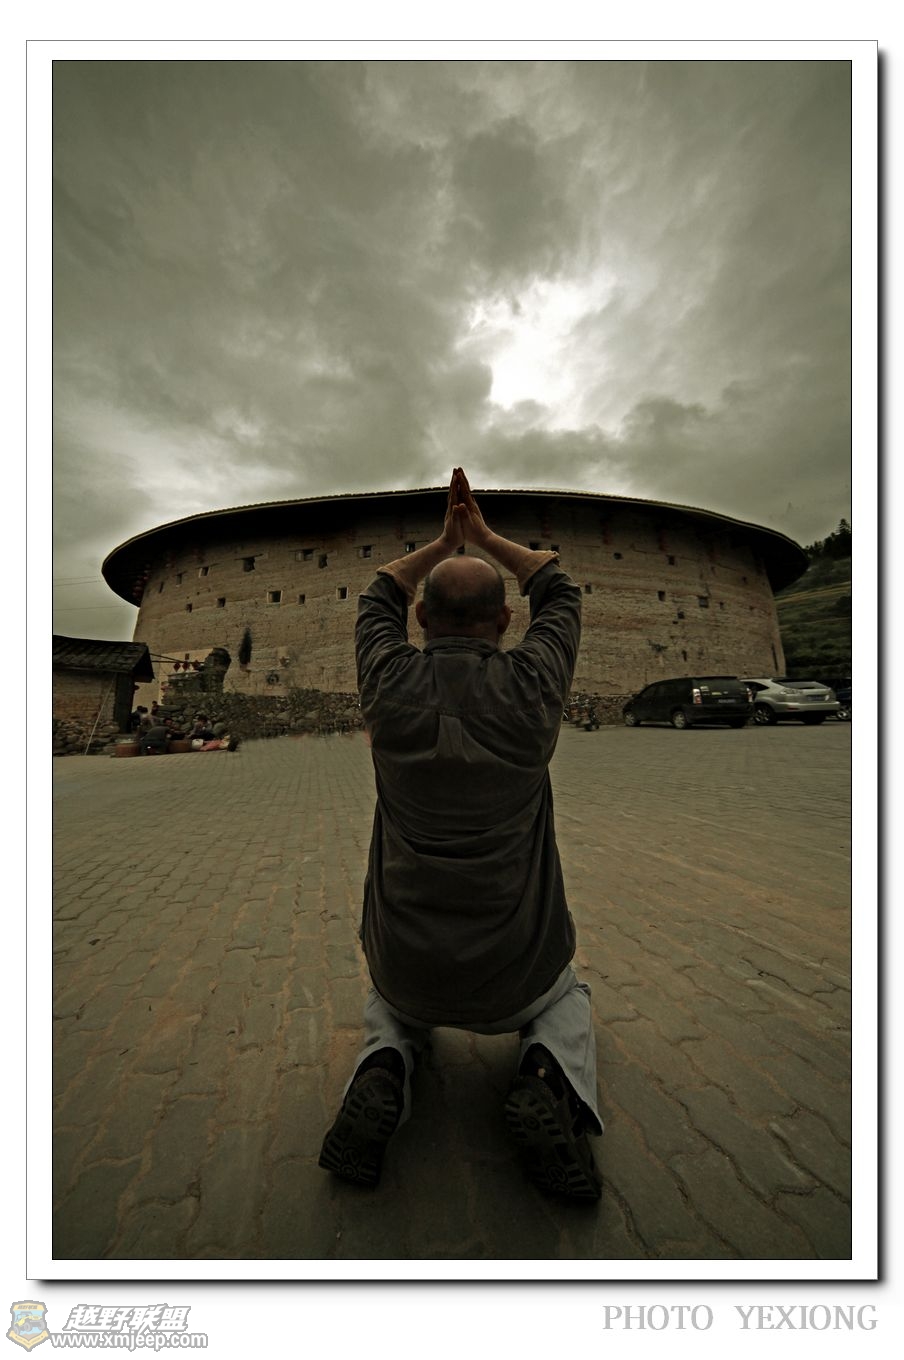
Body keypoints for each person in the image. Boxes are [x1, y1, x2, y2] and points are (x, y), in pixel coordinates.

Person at [318, 468, 602, 1200]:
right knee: (569, 996)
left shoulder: (388, 683)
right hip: (518, 968)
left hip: (407, 965)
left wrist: (444, 543)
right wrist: (483, 537)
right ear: (505, 622)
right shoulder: (532, 688)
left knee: (388, 1004)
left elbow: (377, 591)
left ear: (420, 618)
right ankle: (546, 1075)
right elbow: (560, 591)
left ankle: (385, 1065)